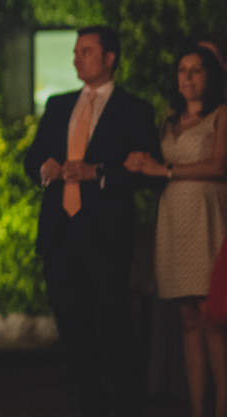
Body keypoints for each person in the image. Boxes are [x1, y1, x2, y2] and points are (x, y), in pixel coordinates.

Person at [24, 25, 160, 417]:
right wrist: (44, 167)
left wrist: (97, 172)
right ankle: (90, 397)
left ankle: (126, 399)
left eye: (86, 51)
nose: (77, 58)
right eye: (76, 51)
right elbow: (32, 160)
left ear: (110, 58)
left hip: (104, 229)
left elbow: (143, 170)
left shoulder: (134, 109)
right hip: (60, 230)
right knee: (70, 318)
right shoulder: (57, 105)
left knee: (113, 318)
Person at [126, 45, 227, 417]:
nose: (187, 77)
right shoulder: (167, 121)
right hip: (173, 218)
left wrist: (164, 170)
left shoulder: (221, 115)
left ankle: (222, 406)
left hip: (207, 214)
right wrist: (142, 165)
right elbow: (150, 166)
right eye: (182, 70)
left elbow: (218, 165)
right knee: (187, 317)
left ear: (210, 75)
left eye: (196, 70)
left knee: (211, 315)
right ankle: (197, 408)